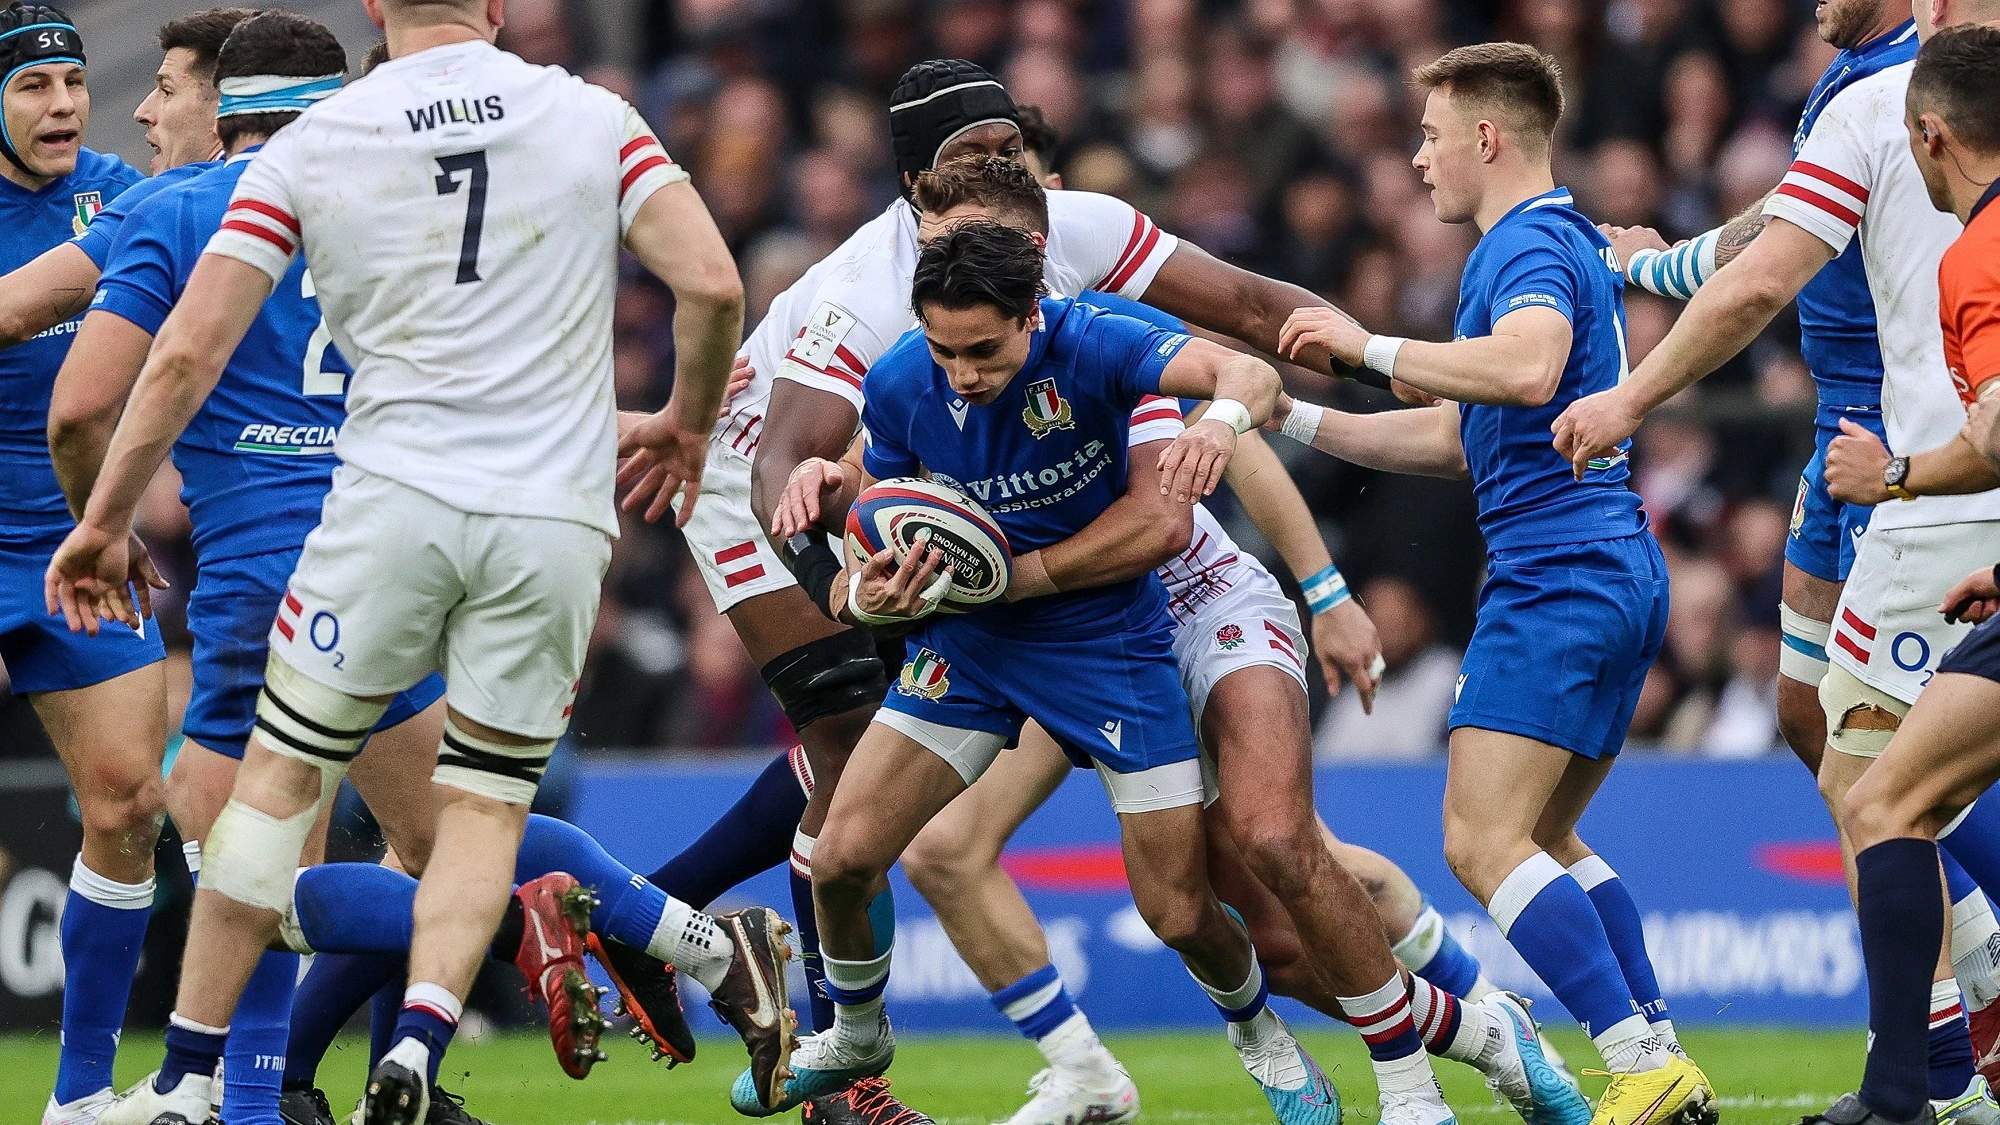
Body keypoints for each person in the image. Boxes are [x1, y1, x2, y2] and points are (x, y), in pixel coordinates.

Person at [44, 0, 787, 1121]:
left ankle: (215, 1085)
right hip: (479, 530)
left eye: (172, 87)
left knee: (248, 855)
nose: (144, 112)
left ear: (230, 103)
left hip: (307, 562)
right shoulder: (494, 149)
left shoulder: (237, 190)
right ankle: (683, 944)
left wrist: (100, 522)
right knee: (447, 824)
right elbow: (520, 354)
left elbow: (96, 388)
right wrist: (657, 419)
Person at [614, 63, 1395, 1067]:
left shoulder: (1068, 239)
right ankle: (845, 1056)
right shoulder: (872, 305)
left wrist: (1394, 361)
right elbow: (788, 469)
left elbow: (1248, 316)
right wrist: (848, 589)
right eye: (970, 157)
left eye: (1008, 150)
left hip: (1033, 562)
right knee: (857, 760)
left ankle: (667, 914)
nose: (998, 171)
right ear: (916, 188)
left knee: (1210, 880)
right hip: (751, 478)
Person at [785, 157, 1582, 1125]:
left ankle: (1431, 1061)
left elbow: (1178, 504)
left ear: (1034, 253)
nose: (965, 371)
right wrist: (849, 536)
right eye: (938, 237)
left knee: (1277, 845)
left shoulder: (1107, 339)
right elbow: (887, 486)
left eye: (980, 234)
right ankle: (1456, 1033)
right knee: (941, 857)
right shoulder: (918, 369)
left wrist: (1325, 587)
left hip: (1182, 609)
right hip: (1029, 631)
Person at [1557, 0, 2000, 1109]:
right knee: (1821, 724)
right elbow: (1773, 225)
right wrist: (1664, 266)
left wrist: (1631, 397)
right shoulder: (1867, 98)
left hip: (1910, 466)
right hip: (1866, 453)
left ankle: (1946, 1054)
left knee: (1882, 784)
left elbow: (1766, 275)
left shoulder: (1906, 104)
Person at [1270, 43, 1713, 1125]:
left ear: (1485, 136)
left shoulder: (1520, 243)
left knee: (1478, 840)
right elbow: (1460, 437)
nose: (1419, 160)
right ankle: (1658, 1052)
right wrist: (1295, 416)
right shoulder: (1565, 237)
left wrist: (1369, 345)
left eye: (1430, 137)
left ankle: (1635, 1063)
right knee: (1545, 838)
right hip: (1611, 565)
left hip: (1555, 574)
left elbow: (1522, 366)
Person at [1816, 25, 2000, 1125]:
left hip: (1942, 525)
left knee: (1881, 796)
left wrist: (1891, 474)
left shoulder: (1974, 255)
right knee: (1896, 791)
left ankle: (1912, 1092)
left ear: (1931, 136)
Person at [0, 6, 158, 1121]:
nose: (62, 104)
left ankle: (80, 1097)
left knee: (130, 801)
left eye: (71, 81)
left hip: (75, 535)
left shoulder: (123, 196)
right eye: (31, 86)